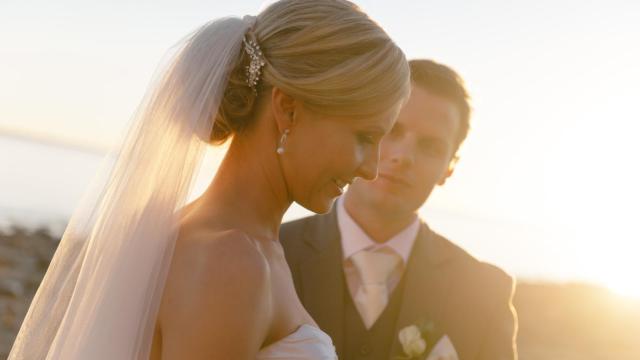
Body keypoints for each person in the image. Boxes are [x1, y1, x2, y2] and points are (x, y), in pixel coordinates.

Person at [8, 1, 410, 359]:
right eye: (365, 137)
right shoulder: (231, 261)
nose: (371, 169)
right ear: (288, 110)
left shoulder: (227, 239)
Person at [280, 59, 518, 359]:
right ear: (361, 130)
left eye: (430, 146)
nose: (404, 156)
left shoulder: (485, 292)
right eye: (392, 130)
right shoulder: (268, 254)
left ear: (450, 168)